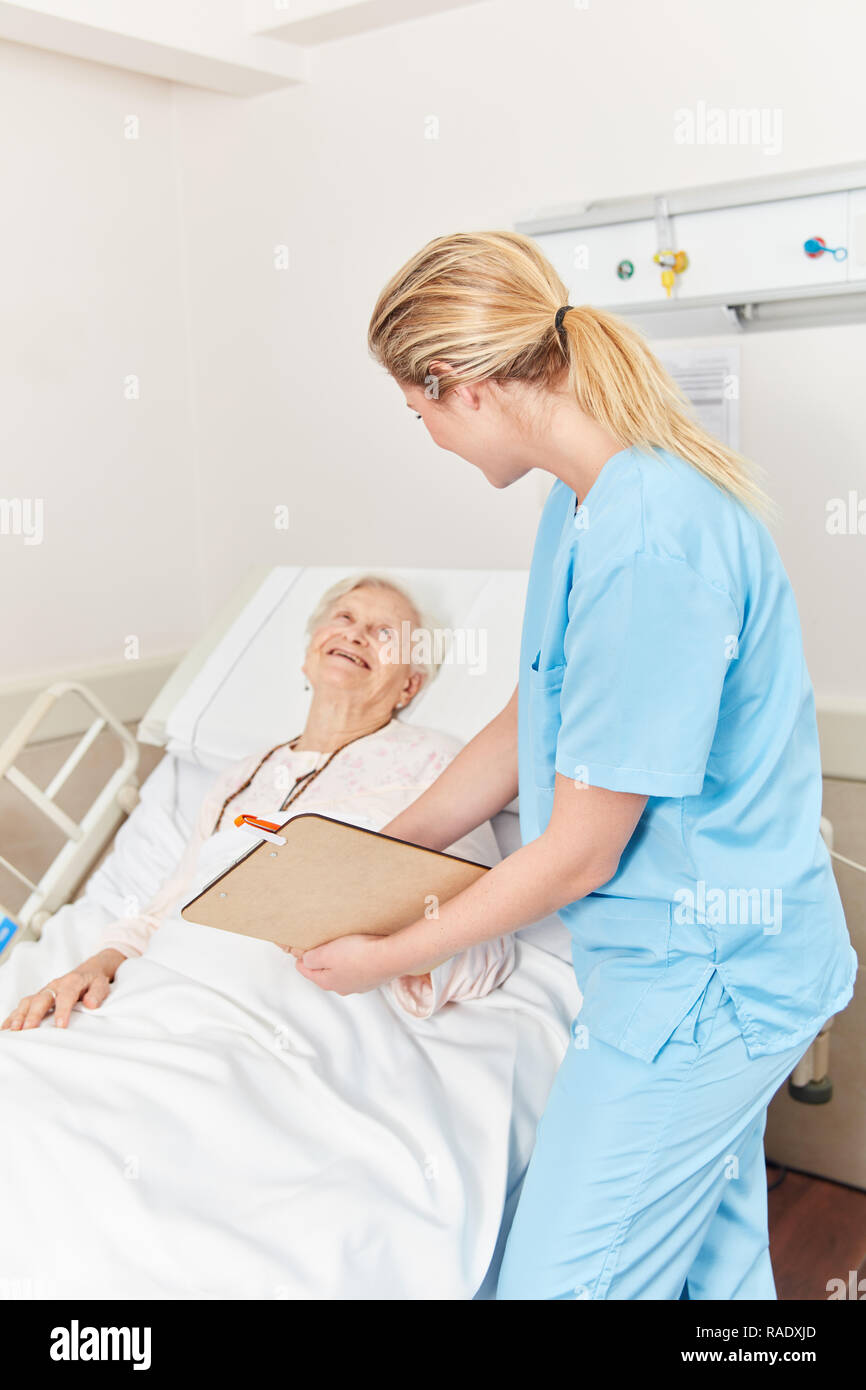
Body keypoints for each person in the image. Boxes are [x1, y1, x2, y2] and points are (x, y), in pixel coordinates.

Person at [291, 230, 857, 1301]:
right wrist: (388, 844)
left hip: (710, 982)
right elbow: (536, 710)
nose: (426, 434)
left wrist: (389, 949)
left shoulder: (651, 538)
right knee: (714, 1277)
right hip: (678, 971)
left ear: (454, 382)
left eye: (416, 411)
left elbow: (581, 854)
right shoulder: (586, 501)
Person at [2, 573, 512, 1032]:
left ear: (410, 685)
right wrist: (96, 965)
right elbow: (169, 906)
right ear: (309, 652)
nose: (356, 634)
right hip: (165, 985)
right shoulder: (239, 778)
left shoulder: (439, 761)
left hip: (291, 1008)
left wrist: (372, 940)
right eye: (344, 618)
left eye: (384, 633)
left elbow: (477, 929)